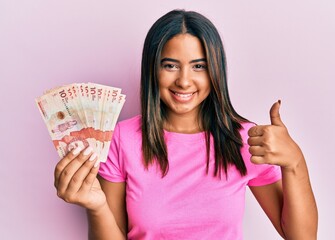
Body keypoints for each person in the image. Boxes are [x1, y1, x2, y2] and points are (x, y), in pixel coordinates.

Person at [54, 10, 318, 239]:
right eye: (170, 65)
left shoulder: (244, 140)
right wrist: (97, 207)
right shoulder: (123, 140)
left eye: (198, 66)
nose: (184, 80)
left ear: (216, 70)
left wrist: (295, 162)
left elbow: (301, 237)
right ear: (152, 69)